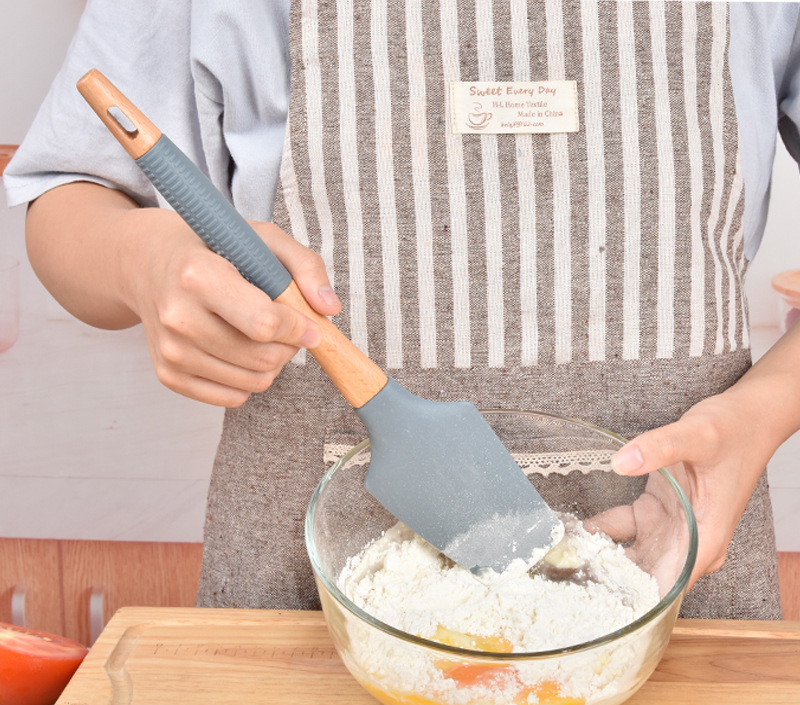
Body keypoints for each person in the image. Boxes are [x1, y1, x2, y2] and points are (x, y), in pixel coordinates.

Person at [5, 0, 800, 618]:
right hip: (307, 620)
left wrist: (763, 413)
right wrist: (145, 261)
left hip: (681, 593)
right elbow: (66, 200)